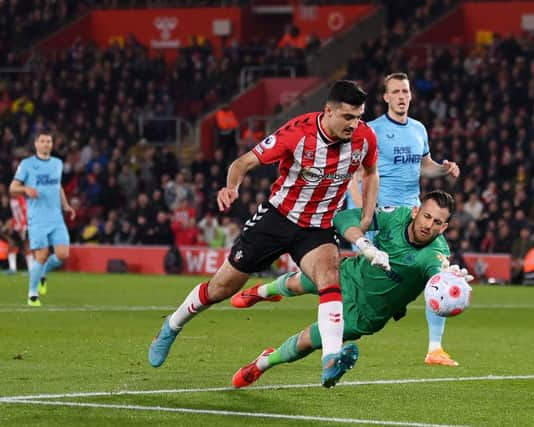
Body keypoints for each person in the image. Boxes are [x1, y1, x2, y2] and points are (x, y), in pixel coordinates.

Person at [148, 80, 380, 388]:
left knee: (329, 275)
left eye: (359, 116)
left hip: (317, 226)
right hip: (277, 219)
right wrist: (231, 187)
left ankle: (331, 359)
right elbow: (242, 163)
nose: (355, 124)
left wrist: (366, 213)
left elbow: (370, 171)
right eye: (348, 117)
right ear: (329, 111)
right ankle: (172, 325)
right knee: (221, 288)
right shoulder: (297, 133)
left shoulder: (365, 138)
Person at [230, 191, 472, 388]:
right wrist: (365, 245)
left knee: (308, 341)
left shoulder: (434, 255)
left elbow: (438, 275)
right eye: (427, 216)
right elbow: (344, 218)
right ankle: (262, 292)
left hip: (365, 313)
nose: (429, 225)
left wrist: (450, 279)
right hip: (349, 274)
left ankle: (262, 363)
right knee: (297, 283)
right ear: (415, 211)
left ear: (444, 227)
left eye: (437, 222)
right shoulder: (395, 217)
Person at [353, 73, 461, 366]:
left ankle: (435, 349)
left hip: (415, 217)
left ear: (411, 96)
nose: (401, 96)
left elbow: (424, 166)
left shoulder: (418, 129)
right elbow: (357, 174)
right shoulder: (371, 130)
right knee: (369, 289)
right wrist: (363, 212)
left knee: (437, 273)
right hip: (383, 218)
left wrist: (443, 169)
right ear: (385, 97)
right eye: (395, 92)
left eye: (405, 91)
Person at [9, 132, 75, 307]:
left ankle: (43, 274)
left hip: (56, 217)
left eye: (49, 141)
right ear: (36, 144)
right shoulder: (27, 164)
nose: (46, 144)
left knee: (63, 254)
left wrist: (66, 205)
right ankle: (32, 293)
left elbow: (57, 186)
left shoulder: (57, 163)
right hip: (37, 218)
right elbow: (13, 187)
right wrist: (25, 190)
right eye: (43, 141)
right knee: (42, 254)